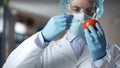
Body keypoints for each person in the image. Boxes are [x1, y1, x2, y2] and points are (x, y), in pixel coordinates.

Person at [3, 0, 120, 68]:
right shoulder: (45, 50)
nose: (83, 15)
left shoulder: (113, 51)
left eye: (90, 11)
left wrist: (101, 60)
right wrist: (42, 37)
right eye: (76, 9)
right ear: (67, 10)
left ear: (96, 15)